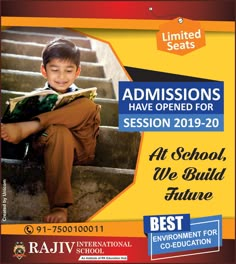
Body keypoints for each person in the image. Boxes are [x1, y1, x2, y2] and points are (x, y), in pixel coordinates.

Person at [1, 38, 101, 223]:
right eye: (55, 70)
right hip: (45, 147)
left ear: (77, 71)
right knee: (58, 131)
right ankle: (59, 206)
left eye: (68, 70)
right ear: (43, 70)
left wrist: (33, 124)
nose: (61, 76)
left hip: (79, 150)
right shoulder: (37, 98)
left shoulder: (81, 100)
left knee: (88, 106)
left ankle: (33, 125)